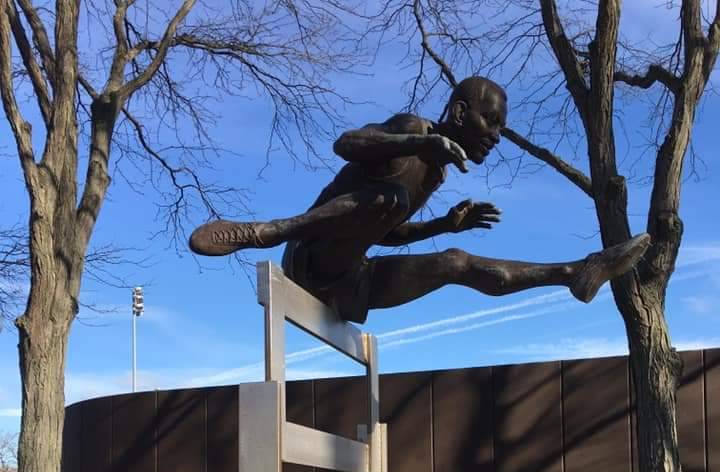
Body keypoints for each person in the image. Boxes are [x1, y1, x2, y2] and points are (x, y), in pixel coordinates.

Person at [189, 77, 649, 325]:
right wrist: (414, 147)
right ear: (459, 112)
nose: (495, 135)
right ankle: (264, 231)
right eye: (490, 121)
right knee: (390, 193)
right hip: (308, 256)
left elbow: (386, 233)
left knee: (456, 261)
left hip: (349, 282)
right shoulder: (413, 130)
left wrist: (443, 226)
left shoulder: (436, 173)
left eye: (501, 128)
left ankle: (573, 273)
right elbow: (347, 144)